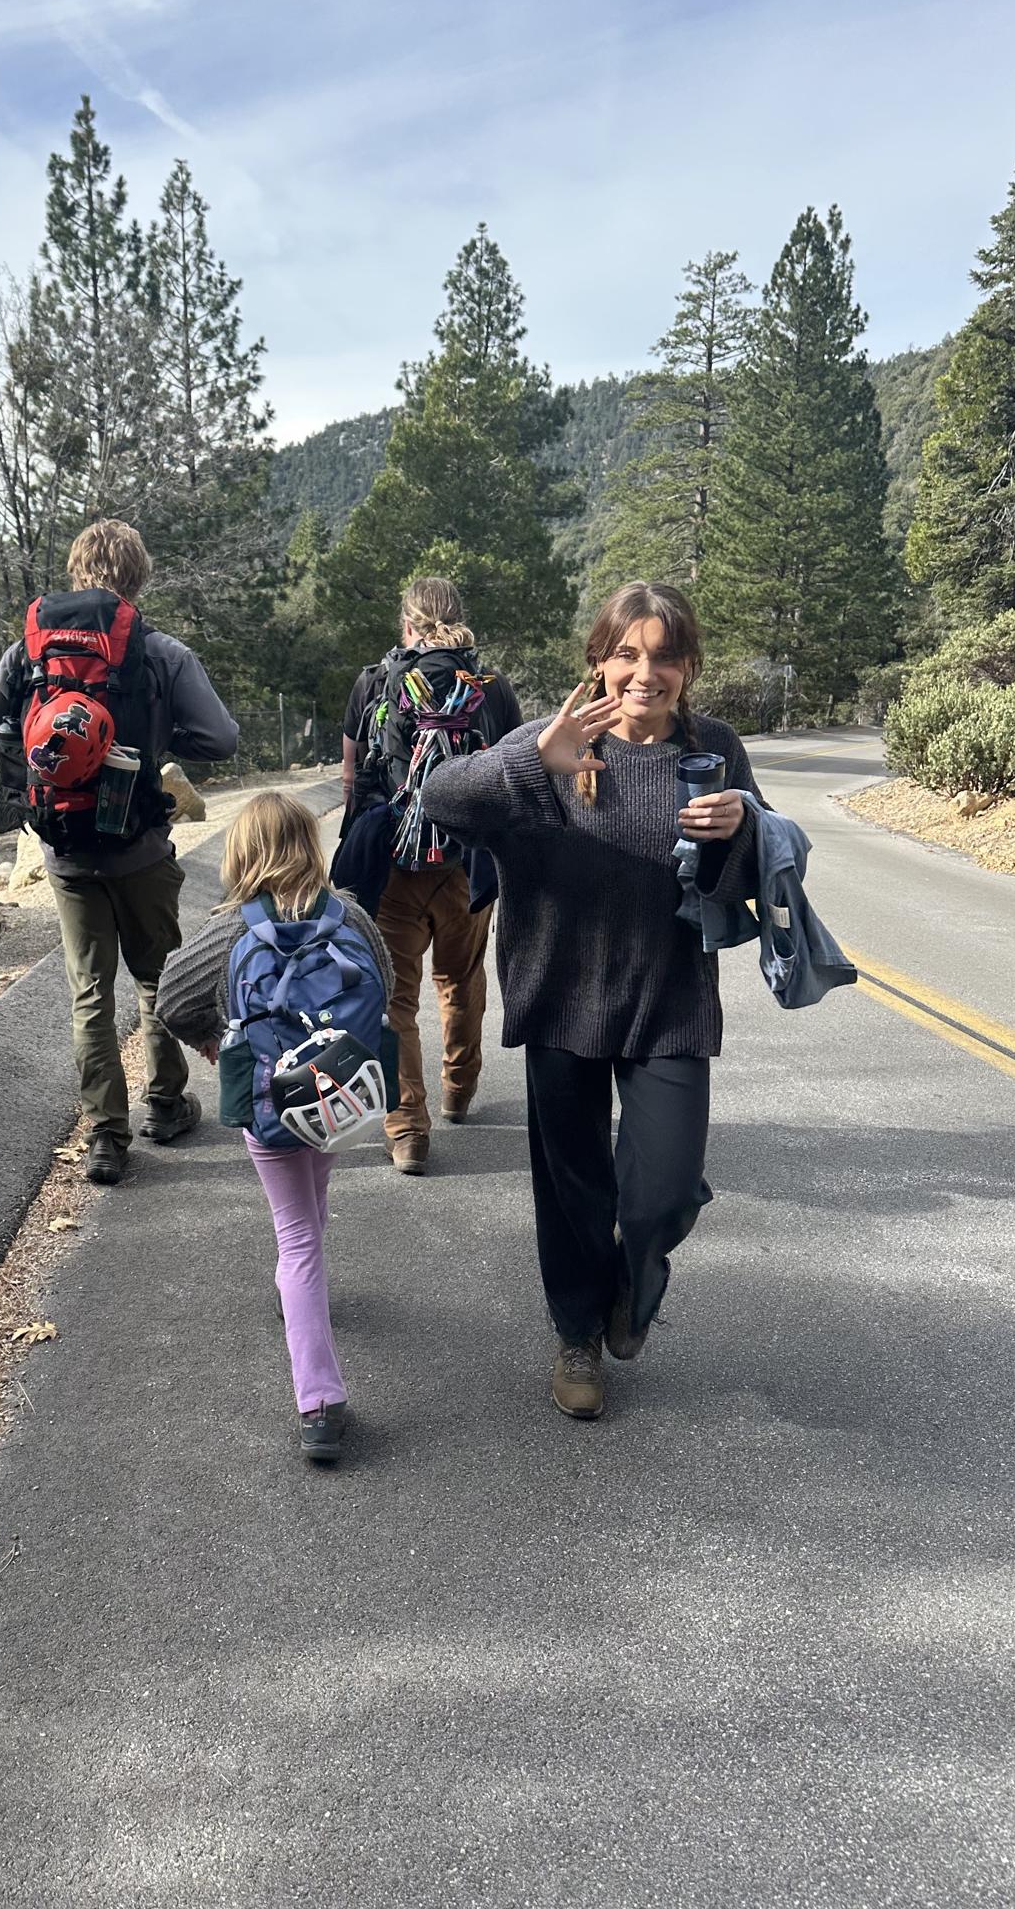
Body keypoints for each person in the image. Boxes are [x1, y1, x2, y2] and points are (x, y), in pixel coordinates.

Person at [420, 580, 763, 1421]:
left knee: (667, 1188)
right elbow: (438, 799)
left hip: (670, 998)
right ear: (599, 660)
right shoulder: (549, 740)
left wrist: (743, 832)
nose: (645, 673)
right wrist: (531, 760)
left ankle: (633, 1285)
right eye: (627, 654)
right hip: (562, 992)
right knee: (572, 1186)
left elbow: (757, 875)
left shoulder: (713, 748)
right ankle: (577, 1333)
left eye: (664, 656)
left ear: (687, 665)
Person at [0, 520, 238, 1185]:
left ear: (77, 570)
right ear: (137, 576)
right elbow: (221, 738)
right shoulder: (157, 649)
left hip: (64, 853)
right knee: (156, 979)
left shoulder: (29, 650)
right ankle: (165, 1107)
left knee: (89, 993)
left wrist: (22, 749)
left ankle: (106, 1138)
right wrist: (162, 741)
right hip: (140, 846)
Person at [155, 793, 395, 1462]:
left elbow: (171, 997)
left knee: (296, 1239)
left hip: (268, 1101)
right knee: (310, 1212)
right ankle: (301, 1303)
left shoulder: (231, 927)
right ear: (308, 844)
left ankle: (318, 1402)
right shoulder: (348, 913)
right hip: (338, 1098)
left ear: (242, 852)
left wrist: (216, 1042)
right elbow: (390, 982)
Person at [340, 575, 522, 1174]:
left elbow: (352, 778)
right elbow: (514, 773)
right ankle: (459, 1089)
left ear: (407, 624)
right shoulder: (490, 690)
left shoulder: (374, 681)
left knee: (395, 995)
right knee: (461, 977)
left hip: (394, 863)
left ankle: (407, 1128)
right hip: (468, 864)